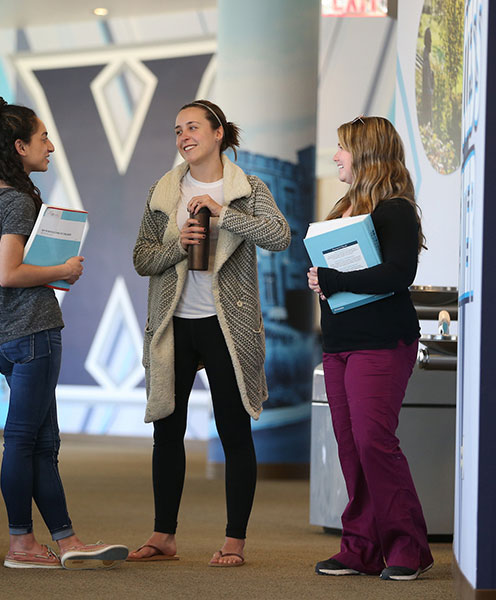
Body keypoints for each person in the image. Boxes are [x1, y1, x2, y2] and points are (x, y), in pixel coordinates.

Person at [0, 96, 128, 570]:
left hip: (3, 338)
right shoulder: (15, 201)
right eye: (42, 138)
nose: (50, 146)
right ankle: (28, 544)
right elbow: (9, 273)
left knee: (35, 443)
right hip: (32, 332)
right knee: (28, 442)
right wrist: (63, 268)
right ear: (19, 147)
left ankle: (60, 541)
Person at [129, 99, 290, 567]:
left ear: (219, 133)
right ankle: (164, 535)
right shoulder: (164, 191)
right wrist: (177, 247)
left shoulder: (247, 187)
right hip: (173, 323)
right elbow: (142, 258)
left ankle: (234, 540)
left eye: (193, 127)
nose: (184, 136)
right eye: (178, 130)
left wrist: (224, 214)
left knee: (234, 431)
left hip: (227, 325)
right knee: (167, 430)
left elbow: (279, 236)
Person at [307, 116, 433, 581]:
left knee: (373, 443)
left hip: (381, 342)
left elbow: (400, 274)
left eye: (342, 147)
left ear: (367, 154)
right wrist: (322, 282)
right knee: (351, 448)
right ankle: (359, 547)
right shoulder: (344, 208)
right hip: (339, 343)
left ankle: (408, 547)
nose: (336, 156)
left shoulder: (395, 209)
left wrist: (334, 279)